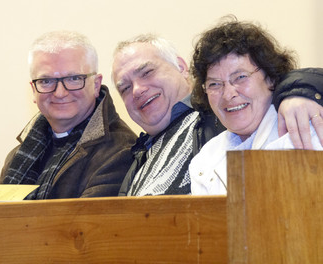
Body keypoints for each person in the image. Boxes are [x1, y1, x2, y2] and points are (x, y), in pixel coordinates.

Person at [112, 33, 323, 196]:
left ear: (181, 67)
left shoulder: (208, 119)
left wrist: (302, 92)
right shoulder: (143, 155)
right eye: (124, 88)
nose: (137, 90)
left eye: (147, 72)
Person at [188, 18, 323, 195]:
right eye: (214, 84)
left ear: (271, 77)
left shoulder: (304, 125)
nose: (228, 94)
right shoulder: (205, 159)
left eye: (240, 77)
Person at [0, 30, 137, 199]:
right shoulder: (19, 155)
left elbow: (85, 225)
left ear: (96, 84)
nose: (60, 93)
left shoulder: (121, 151)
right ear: (34, 90)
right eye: (46, 81)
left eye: (73, 78)